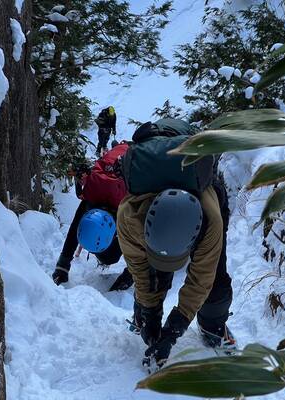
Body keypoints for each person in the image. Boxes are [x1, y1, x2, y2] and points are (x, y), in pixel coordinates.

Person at [117, 119, 234, 368]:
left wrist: (174, 329)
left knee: (217, 279)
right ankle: (143, 314)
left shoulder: (210, 221)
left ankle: (213, 324)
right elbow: (139, 269)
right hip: (157, 164)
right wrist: (151, 315)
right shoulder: (129, 218)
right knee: (151, 275)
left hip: (201, 185)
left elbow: (202, 276)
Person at [52, 143, 133, 291]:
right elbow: (77, 226)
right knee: (108, 255)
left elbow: (144, 240)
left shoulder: (130, 205)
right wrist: (62, 265)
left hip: (139, 161)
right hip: (116, 170)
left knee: (111, 256)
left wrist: (130, 275)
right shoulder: (92, 194)